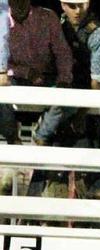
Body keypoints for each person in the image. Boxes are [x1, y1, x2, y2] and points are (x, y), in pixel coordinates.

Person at [27, 0, 100, 202]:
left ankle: (88, 223)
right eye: (70, 5)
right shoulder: (60, 24)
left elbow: (98, 82)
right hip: (61, 104)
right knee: (47, 165)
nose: (77, 10)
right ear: (62, 5)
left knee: (86, 171)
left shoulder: (98, 33)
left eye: (80, 5)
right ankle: (35, 216)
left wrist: (82, 113)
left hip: (85, 109)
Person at [0, 0, 73, 146]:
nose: (19, 5)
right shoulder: (2, 20)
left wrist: (64, 79)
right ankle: (12, 138)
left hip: (46, 75)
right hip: (14, 76)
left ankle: (40, 137)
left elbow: (62, 52)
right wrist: (27, 72)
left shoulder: (47, 17)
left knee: (66, 97)